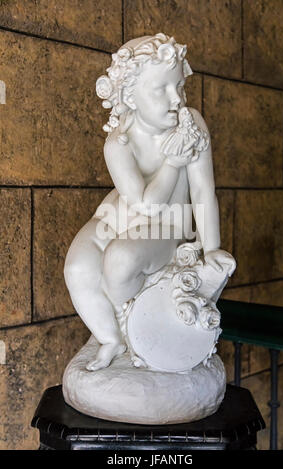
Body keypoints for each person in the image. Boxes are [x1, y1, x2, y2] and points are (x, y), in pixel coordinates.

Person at [64, 33, 235, 371]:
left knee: (121, 260)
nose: (176, 99)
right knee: (77, 267)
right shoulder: (119, 142)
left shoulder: (191, 125)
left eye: (180, 88)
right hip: (117, 216)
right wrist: (172, 162)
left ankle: (140, 329)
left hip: (166, 225)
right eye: (162, 90)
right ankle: (112, 338)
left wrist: (211, 248)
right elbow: (143, 204)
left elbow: (202, 192)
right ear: (131, 96)